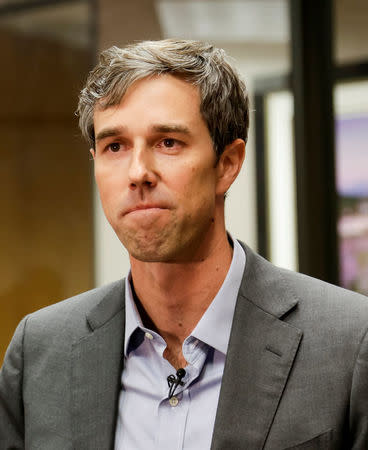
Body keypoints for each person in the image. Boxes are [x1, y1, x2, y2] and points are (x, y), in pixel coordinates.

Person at [1, 39, 368, 450]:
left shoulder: (350, 343)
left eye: (168, 143)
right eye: (115, 146)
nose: (138, 172)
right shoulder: (39, 352)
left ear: (227, 165)